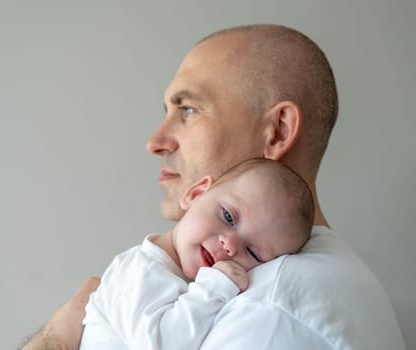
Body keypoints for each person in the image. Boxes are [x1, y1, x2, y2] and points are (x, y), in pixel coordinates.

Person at [21, 24, 406, 349]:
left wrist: (56, 339)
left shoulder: (273, 309)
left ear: (278, 131)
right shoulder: (280, 281)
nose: (155, 141)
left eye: (188, 110)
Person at [80, 158, 314, 349]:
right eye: (228, 217)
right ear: (195, 194)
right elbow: (158, 345)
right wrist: (214, 288)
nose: (229, 244)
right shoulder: (141, 270)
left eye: (252, 252)